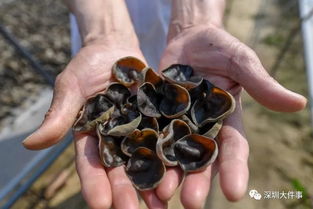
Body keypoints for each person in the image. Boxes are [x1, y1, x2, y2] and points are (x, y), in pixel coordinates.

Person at [22, 0, 307, 209]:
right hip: (107, 47)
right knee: (113, 189)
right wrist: (103, 30)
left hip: (183, 51)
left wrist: (197, 19)